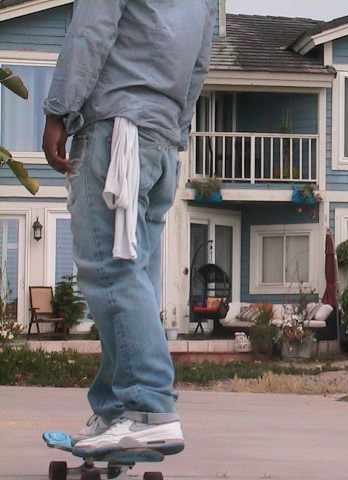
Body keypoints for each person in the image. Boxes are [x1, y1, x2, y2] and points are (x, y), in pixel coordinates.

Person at [42, 1, 216, 457]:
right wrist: (174, 133)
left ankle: (147, 409)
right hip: (160, 146)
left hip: (116, 134)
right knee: (131, 278)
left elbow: (91, 33)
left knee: (110, 273)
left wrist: (58, 111)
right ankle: (117, 410)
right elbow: (199, 66)